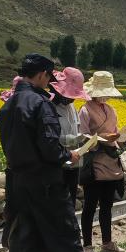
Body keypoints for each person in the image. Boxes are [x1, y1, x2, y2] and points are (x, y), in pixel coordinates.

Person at [0, 53, 106, 252]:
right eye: (48, 77)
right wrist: (68, 155)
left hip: (19, 181)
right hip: (46, 181)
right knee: (65, 235)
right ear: (41, 75)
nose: (49, 83)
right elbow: (49, 147)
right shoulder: (40, 104)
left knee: (29, 236)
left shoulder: (7, 107)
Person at [79, 71, 126, 252]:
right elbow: (82, 137)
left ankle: (107, 242)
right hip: (94, 163)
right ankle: (87, 245)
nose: (105, 96)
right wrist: (102, 138)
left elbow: (116, 138)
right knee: (89, 206)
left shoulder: (111, 111)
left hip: (111, 163)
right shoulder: (85, 110)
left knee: (107, 206)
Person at [49, 66, 91, 203]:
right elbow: (47, 139)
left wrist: (83, 140)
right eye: (69, 95)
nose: (72, 99)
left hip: (73, 164)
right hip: (56, 166)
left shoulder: (71, 107)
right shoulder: (48, 107)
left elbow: (76, 128)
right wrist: (71, 139)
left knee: (70, 203)